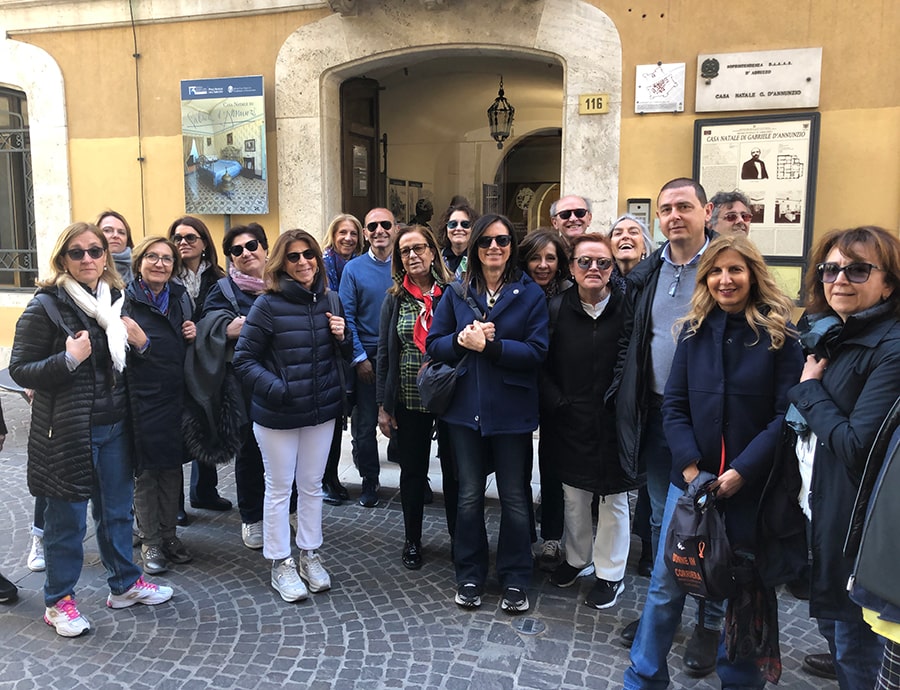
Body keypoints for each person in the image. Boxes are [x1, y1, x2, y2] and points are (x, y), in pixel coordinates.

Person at [624, 233, 804, 689]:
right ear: (705, 279)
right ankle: (643, 676)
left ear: (752, 275)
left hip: (750, 488)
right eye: (716, 271)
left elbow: (786, 415)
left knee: (742, 589)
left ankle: (739, 680)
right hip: (692, 484)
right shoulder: (693, 331)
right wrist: (690, 467)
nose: (725, 280)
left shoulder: (780, 337)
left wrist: (743, 471)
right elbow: (674, 405)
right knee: (667, 583)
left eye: (735, 270)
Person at [9, 221, 173, 637]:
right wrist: (66, 359)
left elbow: (125, 365)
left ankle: (125, 584)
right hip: (67, 430)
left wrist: (142, 344)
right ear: (62, 258)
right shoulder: (46, 306)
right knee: (66, 522)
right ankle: (58, 601)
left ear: (106, 257)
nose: (88, 259)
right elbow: (19, 369)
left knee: (117, 512)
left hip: (115, 425)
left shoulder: (114, 301)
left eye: (95, 251)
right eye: (77, 252)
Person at [759, 226, 900, 689]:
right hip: (819, 506)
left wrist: (808, 389)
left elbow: (858, 446)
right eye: (830, 269)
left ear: (888, 283)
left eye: (857, 270)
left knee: (857, 648)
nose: (839, 279)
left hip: (853, 522)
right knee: (837, 628)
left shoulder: (890, 348)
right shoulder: (828, 333)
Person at [609, 178, 724, 674]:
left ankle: (710, 623)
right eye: (666, 209)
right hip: (656, 412)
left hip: (709, 419)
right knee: (661, 518)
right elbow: (636, 338)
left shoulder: (724, 266)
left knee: (712, 522)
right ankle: (664, 613)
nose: (674, 216)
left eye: (684, 206)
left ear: (706, 211)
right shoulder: (651, 270)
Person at [427, 213, 549, 614]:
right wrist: (461, 340)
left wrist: (492, 348)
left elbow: (537, 351)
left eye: (502, 240)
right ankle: (470, 573)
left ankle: (515, 577)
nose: (494, 247)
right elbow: (434, 344)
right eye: (485, 241)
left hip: (512, 411)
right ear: (475, 247)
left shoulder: (529, 293)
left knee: (514, 497)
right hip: (465, 410)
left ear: (512, 246)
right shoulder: (457, 291)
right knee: (468, 496)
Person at [233, 229, 351, 603]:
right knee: (279, 488)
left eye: (308, 254)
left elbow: (344, 355)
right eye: (294, 256)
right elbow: (243, 360)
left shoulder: (330, 298)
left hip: (321, 411)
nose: (303, 262)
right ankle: (280, 562)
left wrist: (343, 337)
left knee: (312, 486)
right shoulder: (267, 304)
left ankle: (310, 555)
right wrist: (279, 389)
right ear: (281, 263)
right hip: (278, 415)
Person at [541, 233, 637, 610]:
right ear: (571, 268)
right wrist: (558, 402)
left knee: (614, 498)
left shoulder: (628, 308)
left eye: (602, 262)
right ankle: (577, 559)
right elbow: (541, 362)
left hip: (615, 419)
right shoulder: (556, 308)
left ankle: (610, 574)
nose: (593, 268)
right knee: (574, 495)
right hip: (571, 417)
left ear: (612, 269)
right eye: (584, 261)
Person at [376, 224, 454, 570]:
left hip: (450, 398)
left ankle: (460, 539)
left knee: (455, 473)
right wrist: (383, 406)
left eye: (418, 248)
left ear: (432, 252)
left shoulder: (452, 293)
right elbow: (384, 353)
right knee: (412, 473)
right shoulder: (394, 298)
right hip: (408, 398)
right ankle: (412, 540)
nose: (412, 256)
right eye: (405, 251)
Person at [197, 223, 279, 550]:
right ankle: (252, 516)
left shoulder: (283, 281)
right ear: (230, 257)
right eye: (236, 250)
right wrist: (228, 328)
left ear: (265, 248)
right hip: (244, 382)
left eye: (252, 245)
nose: (246, 253)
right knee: (251, 449)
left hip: (285, 376)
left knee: (286, 450)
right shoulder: (224, 290)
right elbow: (208, 325)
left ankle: (286, 509)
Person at [124, 236, 195, 575]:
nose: (160, 264)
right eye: (152, 257)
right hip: (141, 398)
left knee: (172, 469)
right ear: (139, 263)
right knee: (146, 474)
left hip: (174, 396)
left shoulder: (180, 298)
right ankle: (150, 541)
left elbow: (184, 345)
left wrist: (193, 332)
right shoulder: (125, 301)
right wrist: (145, 345)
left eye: (167, 259)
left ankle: (169, 536)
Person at [167, 216, 231, 516]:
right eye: (178, 238)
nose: (183, 243)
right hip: (175, 360)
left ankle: (205, 491)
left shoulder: (218, 279)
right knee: (177, 431)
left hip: (208, 360)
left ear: (204, 242)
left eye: (190, 237)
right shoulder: (166, 275)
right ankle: (175, 503)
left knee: (207, 420)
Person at [518, 228, 572, 571]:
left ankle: (552, 536)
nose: (542, 265)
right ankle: (523, 534)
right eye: (535, 258)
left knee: (553, 467)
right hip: (520, 388)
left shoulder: (569, 294)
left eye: (550, 258)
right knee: (518, 467)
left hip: (557, 392)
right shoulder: (515, 292)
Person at [339, 208, 397, 508]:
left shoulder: (406, 263)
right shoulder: (353, 269)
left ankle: (415, 477)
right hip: (368, 356)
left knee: (406, 422)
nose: (379, 230)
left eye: (385, 224)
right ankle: (369, 480)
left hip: (400, 354)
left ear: (395, 228)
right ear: (365, 233)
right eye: (372, 226)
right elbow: (346, 316)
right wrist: (359, 357)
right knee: (363, 426)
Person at [321, 213, 364, 505]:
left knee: (345, 415)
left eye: (353, 233)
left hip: (353, 343)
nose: (348, 238)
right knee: (331, 417)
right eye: (342, 233)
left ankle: (336, 475)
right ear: (333, 236)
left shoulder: (361, 265)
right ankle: (326, 478)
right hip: (329, 348)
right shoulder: (322, 265)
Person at [438, 201, 479, 277]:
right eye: (453, 224)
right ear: (445, 228)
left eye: (465, 224)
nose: (459, 228)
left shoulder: (480, 260)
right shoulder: (436, 259)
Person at [96, 210, 135, 282]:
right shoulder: (86, 266)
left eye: (121, 232)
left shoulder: (139, 268)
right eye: (107, 230)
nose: (115, 235)